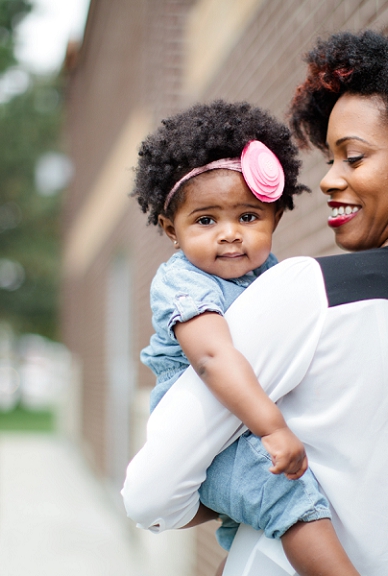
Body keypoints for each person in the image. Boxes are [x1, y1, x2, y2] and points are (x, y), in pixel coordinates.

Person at [123, 25, 388, 575]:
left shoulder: (308, 291)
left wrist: (245, 498)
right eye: (330, 158)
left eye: (353, 157)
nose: (328, 181)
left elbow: (151, 493)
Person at [132, 100, 359, 575]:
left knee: (247, 544)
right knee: (293, 506)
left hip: (245, 424)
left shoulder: (269, 275)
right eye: (206, 220)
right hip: (212, 432)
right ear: (172, 230)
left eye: (249, 217)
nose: (230, 234)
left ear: (275, 218)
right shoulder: (184, 282)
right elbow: (213, 358)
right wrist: (273, 428)